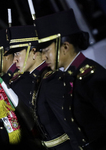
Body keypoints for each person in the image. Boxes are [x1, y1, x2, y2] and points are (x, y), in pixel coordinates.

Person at [34, 9, 106, 150]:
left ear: (65, 47)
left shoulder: (89, 76)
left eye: (46, 50)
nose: (43, 57)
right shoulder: (69, 78)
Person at [4, 25, 49, 149]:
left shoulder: (50, 80)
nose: (15, 60)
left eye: (18, 54)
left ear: (33, 52)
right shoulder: (34, 80)